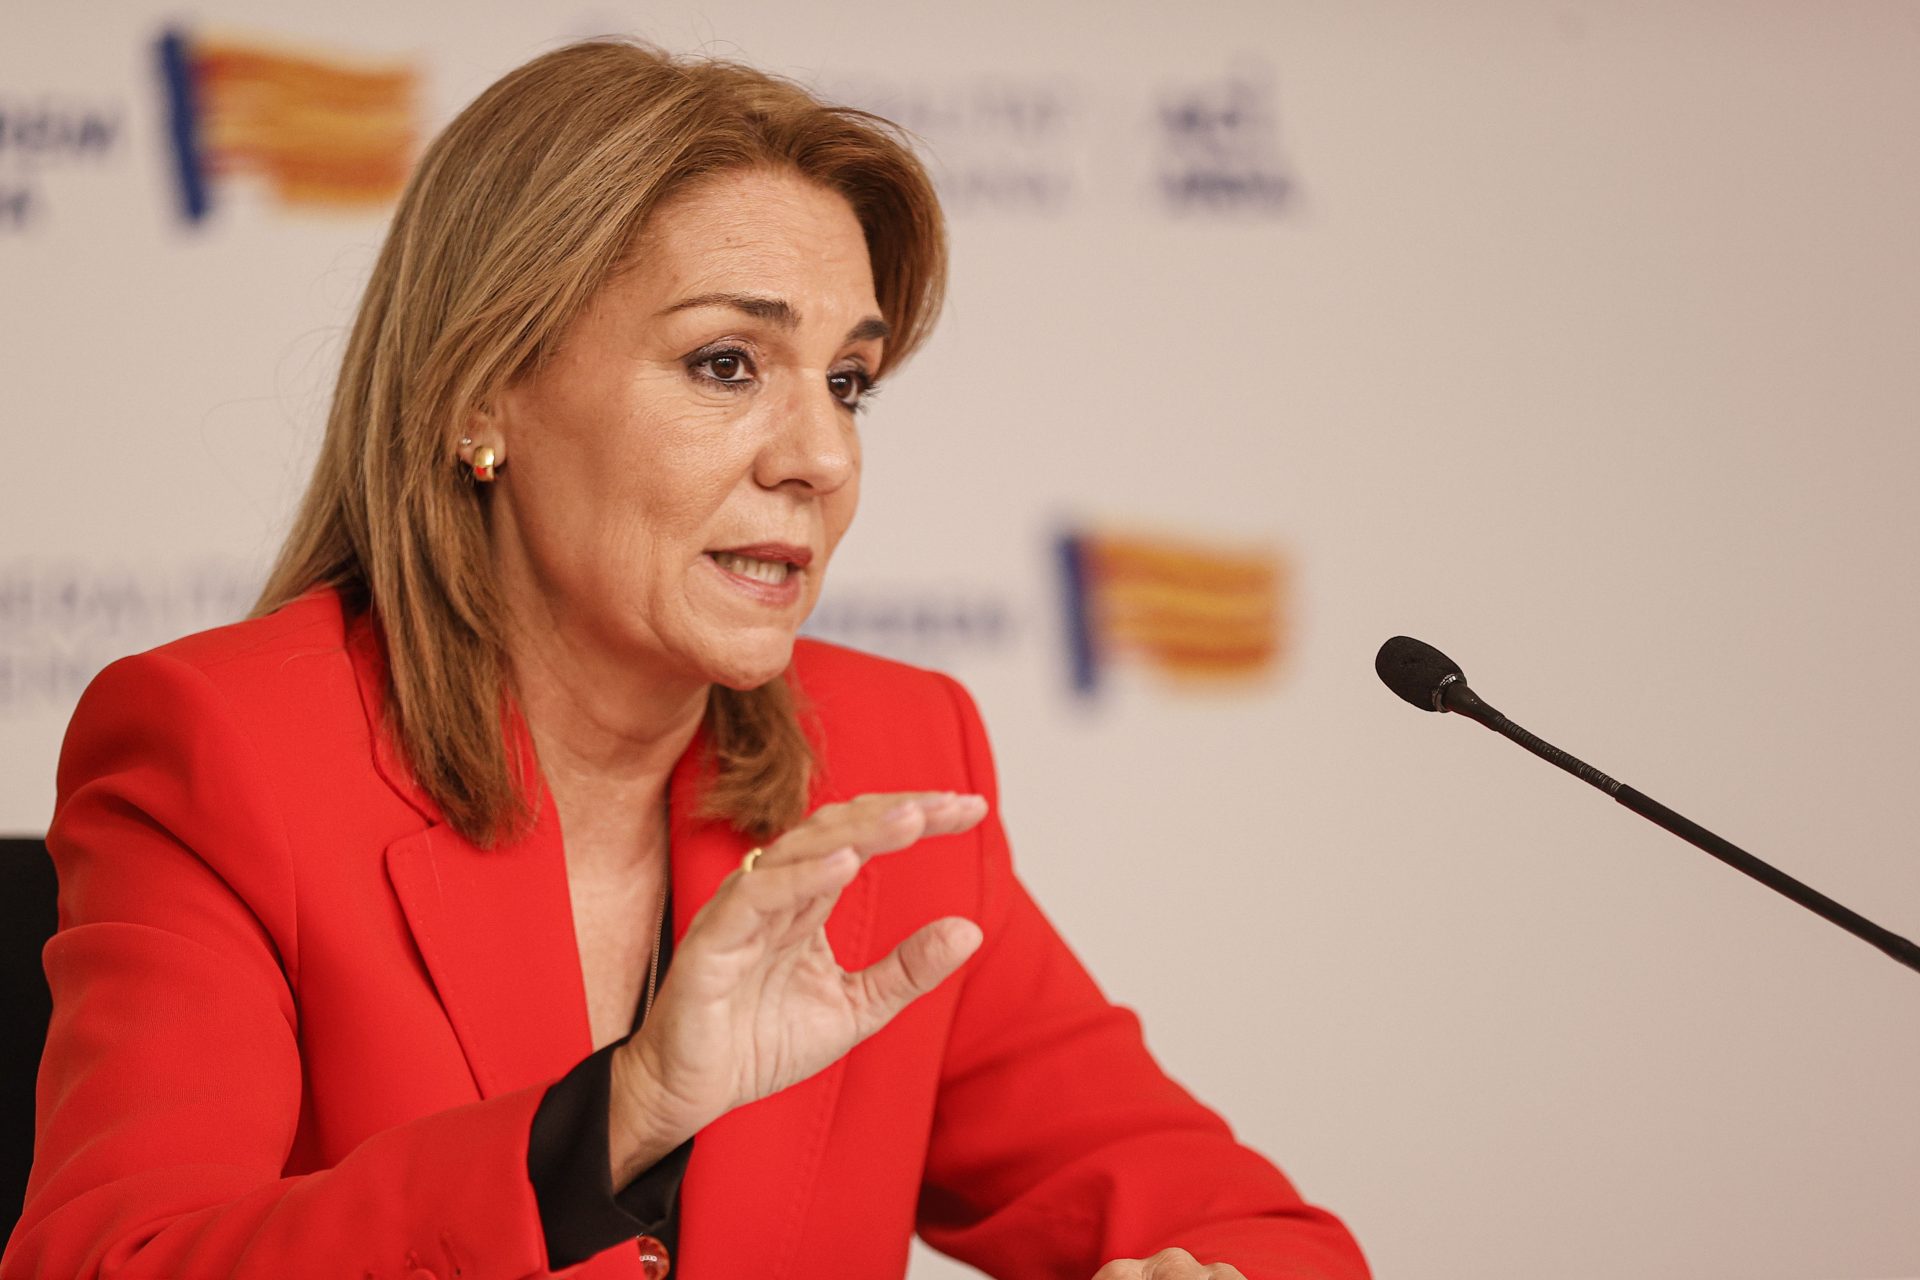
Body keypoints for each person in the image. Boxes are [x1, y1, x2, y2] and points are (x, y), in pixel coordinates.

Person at [2, 39, 1368, 1280]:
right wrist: (616, 1120)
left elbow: (1260, 1237)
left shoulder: (889, 768)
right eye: (727, 364)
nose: (822, 458)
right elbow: (113, 1265)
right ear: (481, 394)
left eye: (847, 382)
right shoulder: (228, 754)